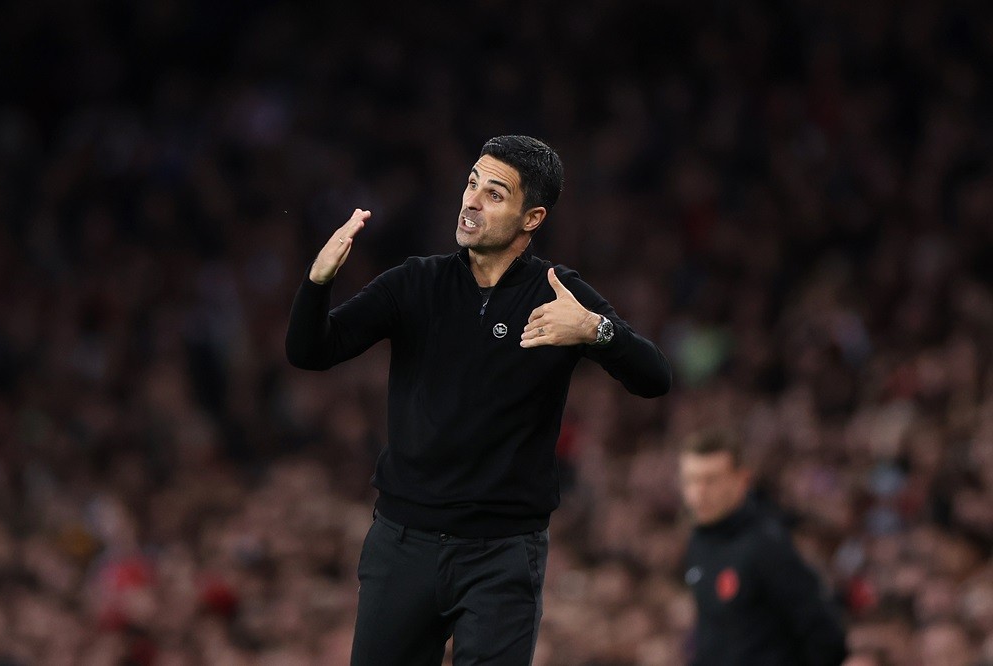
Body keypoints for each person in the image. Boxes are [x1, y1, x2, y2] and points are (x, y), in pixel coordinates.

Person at [285, 135, 672, 665]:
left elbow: (655, 378)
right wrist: (317, 282)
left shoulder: (557, 293)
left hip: (503, 556)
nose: (470, 200)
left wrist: (596, 329)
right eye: (471, 184)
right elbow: (311, 351)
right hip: (403, 547)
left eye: (494, 194)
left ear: (531, 217)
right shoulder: (416, 282)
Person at [679, 429, 849, 666]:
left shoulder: (768, 544)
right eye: (691, 480)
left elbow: (824, 633)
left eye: (711, 480)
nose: (699, 493)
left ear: (742, 480)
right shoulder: (699, 543)